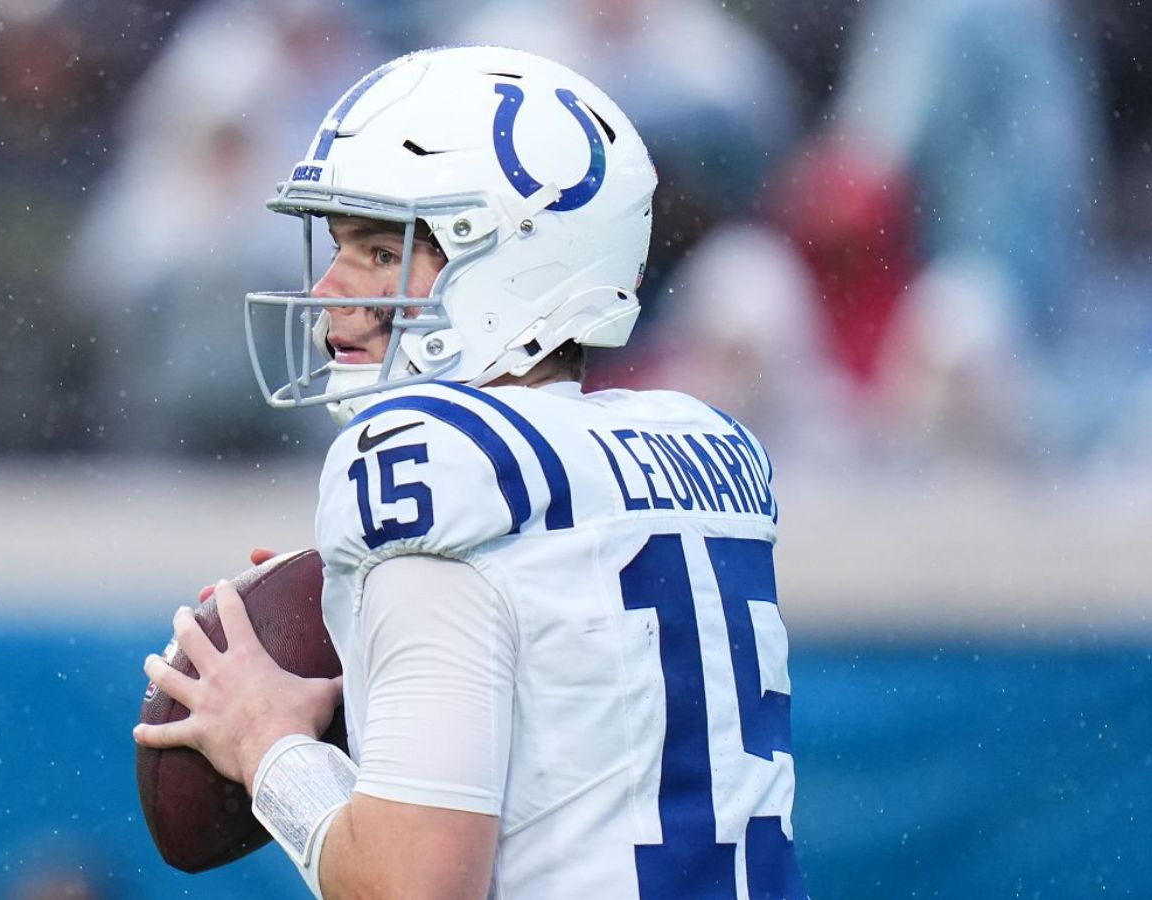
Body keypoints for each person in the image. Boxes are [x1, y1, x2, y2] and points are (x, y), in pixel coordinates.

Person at [133, 46, 807, 899]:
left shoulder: (435, 465)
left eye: (382, 252)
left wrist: (270, 750)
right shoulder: (698, 441)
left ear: (518, 263)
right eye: (339, 244)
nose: (330, 287)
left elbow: (415, 888)